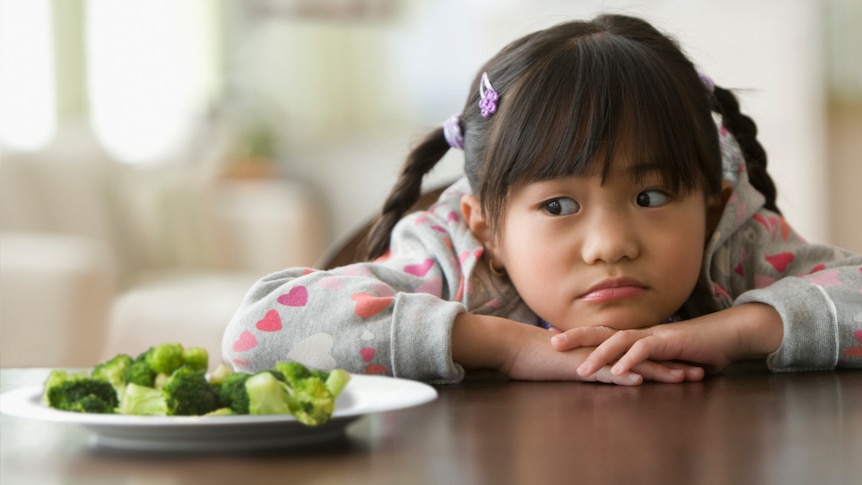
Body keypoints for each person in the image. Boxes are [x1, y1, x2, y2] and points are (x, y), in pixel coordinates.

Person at [222, 14, 862, 385]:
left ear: (714, 207)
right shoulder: (455, 263)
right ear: (489, 229)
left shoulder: (734, 246)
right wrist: (504, 346)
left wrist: (738, 331)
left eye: (651, 194)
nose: (612, 243)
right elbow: (256, 335)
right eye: (558, 206)